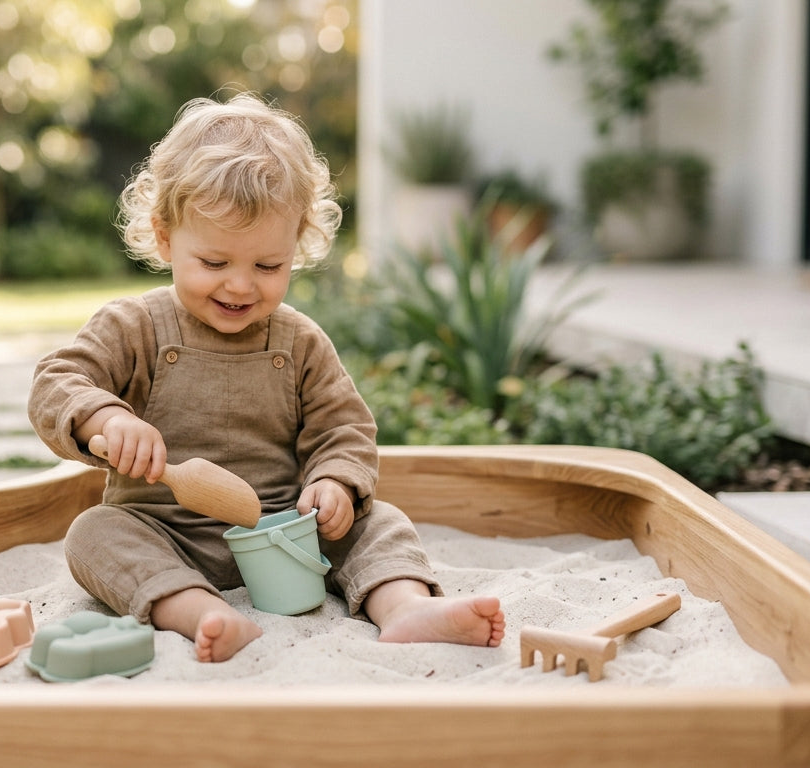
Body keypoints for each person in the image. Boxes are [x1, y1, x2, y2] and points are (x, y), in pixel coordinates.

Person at [28, 92, 505, 663]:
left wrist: (334, 484)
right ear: (164, 237)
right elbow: (58, 379)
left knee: (381, 522)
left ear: (298, 243)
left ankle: (404, 608)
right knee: (92, 534)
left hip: (289, 529)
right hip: (163, 528)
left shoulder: (299, 341)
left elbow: (343, 426)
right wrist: (104, 416)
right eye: (214, 263)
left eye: (268, 266)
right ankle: (199, 611)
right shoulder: (133, 327)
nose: (240, 286)